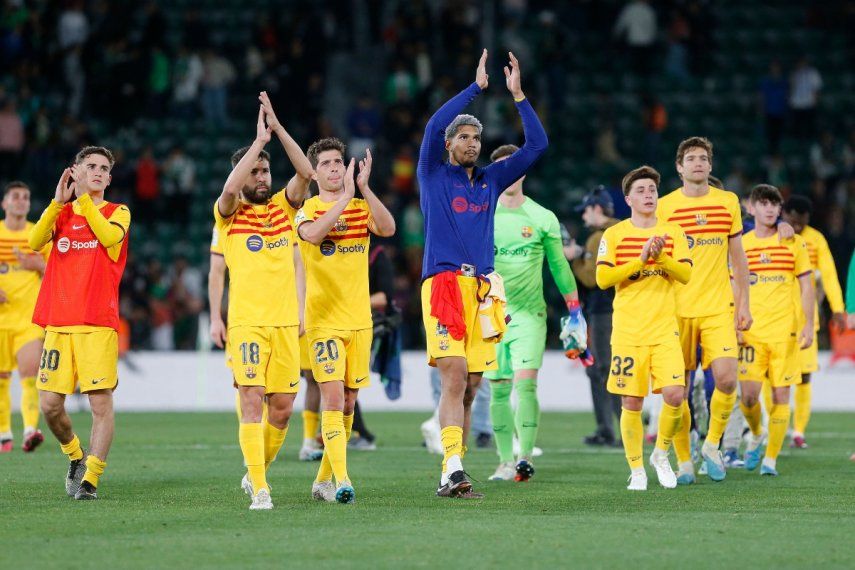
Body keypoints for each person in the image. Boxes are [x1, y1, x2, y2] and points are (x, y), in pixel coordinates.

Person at [418, 50, 550, 499]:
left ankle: (453, 466)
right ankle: (451, 467)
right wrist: (475, 89)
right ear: (449, 144)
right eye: (465, 137)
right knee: (454, 374)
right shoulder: (432, 172)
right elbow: (435, 123)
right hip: (444, 284)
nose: (473, 143)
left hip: (484, 289)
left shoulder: (490, 180)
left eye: (477, 137)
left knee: (473, 384)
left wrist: (519, 97)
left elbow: (536, 147)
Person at [214, 92, 313, 510]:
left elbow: (306, 172)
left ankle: (257, 470)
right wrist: (256, 144)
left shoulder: (283, 209)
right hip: (248, 322)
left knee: (283, 410)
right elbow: (229, 188)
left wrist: (276, 129)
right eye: (255, 169)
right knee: (251, 398)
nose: (261, 175)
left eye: (265, 169)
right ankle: (260, 487)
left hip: (285, 323)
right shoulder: (230, 213)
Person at [296, 139, 395, 504]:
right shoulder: (305, 210)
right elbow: (314, 234)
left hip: (359, 321)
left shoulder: (359, 207)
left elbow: (388, 228)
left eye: (339, 161)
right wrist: (345, 198)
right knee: (333, 398)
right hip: (323, 322)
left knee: (350, 402)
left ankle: (322, 480)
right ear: (315, 171)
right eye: (327, 163)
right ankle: (342, 479)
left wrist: (365, 190)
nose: (335, 168)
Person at [30, 146, 131, 500]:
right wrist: (58, 203)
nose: (98, 172)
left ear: (109, 177)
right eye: (91, 167)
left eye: (104, 168)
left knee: (100, 404)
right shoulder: (61, 213)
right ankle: (75, 455)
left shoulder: (118, 212)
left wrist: (84, 200)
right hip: (58, 323)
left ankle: (91, 478)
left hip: (97, 324)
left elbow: (108, 237)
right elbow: (33, 241)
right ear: (75, 171)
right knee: (50, 405)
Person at [484, 143, 584, 482]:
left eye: (514, 165)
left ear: (523, 171)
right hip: (490, 314)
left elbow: (558, 265)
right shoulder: (482, 214)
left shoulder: (542, 217)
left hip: (529, 314)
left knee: (525, 385)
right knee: (499, 388)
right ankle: (503, 460)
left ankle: (524, 457)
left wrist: (574, 309)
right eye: (501, 166)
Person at [657, 136, 750, 484]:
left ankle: (712, 444)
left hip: (717, 308)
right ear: (679, 167)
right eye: (691, 158)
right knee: (677, 389)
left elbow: (738, 259)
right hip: (676, 310)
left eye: (703, 158)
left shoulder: (728, 201)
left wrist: (745, 304)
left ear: (711, 166)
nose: (698, 163)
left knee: (727, 379)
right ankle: (684, 461)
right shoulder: (664, 207)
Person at [596, 165, 692, 491]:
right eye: (641, 190)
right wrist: (640, 260)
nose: (648, 195)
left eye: (652, 189)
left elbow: (686, 274)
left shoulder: (673, 233)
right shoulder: (615, 234)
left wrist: (660, 258)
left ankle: (661, 454)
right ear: (628, 199)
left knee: (676, 395)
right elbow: (603, 278)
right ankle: (636, 468)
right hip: (628, 331)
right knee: (632, 403)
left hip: (665, 328)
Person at [737, 185, 814, 476]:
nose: (769, 209)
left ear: (780, 209)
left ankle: (770, 459)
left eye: (774, 204)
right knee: (748, 398)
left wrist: (807, 323)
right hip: (753, 333)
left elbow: (806, 285)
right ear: (752, 208)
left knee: (782, 397)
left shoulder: (794, 243)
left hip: (786, 333)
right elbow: (734, 287)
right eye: (764, 204)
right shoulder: (742, 244)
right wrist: (736, 321)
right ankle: (757, 433)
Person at [781, 195, 846, 449]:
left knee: (805, 376)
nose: (797, 228)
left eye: (802, 223)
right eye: (793, 222)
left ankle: (798, 431)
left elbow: (829, 275)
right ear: (784, 214)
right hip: (775, 317)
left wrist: (838, 308)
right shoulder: (772, 235)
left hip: (807, 318)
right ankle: (773, 425)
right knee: (772, 376)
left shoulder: (816, 240)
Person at [565, 187, 621, 446]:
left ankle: (612, 430)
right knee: (609, 368)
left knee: (603, 369)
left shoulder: (598, 238)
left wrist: (574, 259)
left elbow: (591, 278)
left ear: (597, 209)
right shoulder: (621, 230)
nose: (584, 217)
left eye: (586, 210)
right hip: (619, 307)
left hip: (603, 310)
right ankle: (615, 428)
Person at [0, 181, 49, 454]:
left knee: (30, 374)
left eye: (26, 197)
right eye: (15, 197)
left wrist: (38, 264)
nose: (21, 201)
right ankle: (4, 434)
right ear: (5, 203)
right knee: (1, 379)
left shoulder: (37, 234)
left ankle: (30, 430)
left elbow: (57, 270)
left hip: (28, 319)